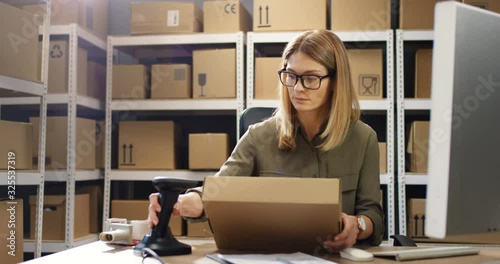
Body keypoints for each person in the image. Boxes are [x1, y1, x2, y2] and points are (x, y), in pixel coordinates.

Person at [148, 29, 384, 250]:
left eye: (311, 78)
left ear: (336, 82)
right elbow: (220, 188)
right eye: (291, 75)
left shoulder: (363, 138)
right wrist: (185, 201)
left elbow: (373, 215)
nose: (298, 88)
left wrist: (359, 225)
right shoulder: (259, 136)